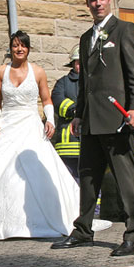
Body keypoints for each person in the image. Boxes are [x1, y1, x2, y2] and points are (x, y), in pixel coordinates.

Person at [51, 0, 134, 256]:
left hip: (117, 119)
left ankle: (133, 235)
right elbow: (85, 82)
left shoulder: (125, 29)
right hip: (91, 121)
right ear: (87, 3)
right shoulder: (85, 38)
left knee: (126, 179)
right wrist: (79, 115)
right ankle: (83, 231)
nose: (97, 3)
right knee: (88, 178)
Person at [0, 30, 79, 240]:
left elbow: (46, 99)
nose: (19, 49)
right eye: (16, 45)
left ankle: (43, 220)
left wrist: (50, 120)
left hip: (30, 124)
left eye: (23, 45)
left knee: (36, 168)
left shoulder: (38, 72)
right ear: (10, 48)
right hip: (8, 125)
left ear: (28, 49)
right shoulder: (0, 71)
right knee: (0, 168)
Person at [51, 45, 81, 179]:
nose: (81, 65)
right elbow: (57, 101)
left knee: (91, 183)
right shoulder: (63, 82)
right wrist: (76, 110)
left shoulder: (95, 82)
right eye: (78, 62)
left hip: (91, 143)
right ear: (73, 64)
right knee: (68, 181)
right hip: (68, 143)